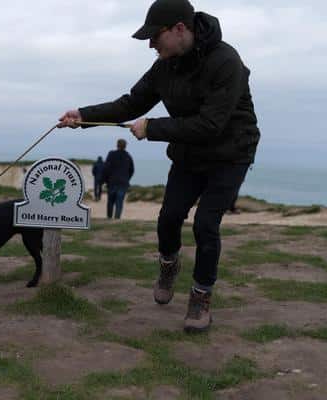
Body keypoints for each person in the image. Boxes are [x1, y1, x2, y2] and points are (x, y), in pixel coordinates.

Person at [57, 0, 260, 333]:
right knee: (168, 218)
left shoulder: (226, 61)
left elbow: (212, 124)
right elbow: (131, 103)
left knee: (206, 225)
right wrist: (84, 116)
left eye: (155, 37)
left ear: (180, 29)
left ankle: (200, 296)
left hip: (230, 153)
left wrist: (152, 128)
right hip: (189, 154)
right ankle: (169, 265)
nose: (151, 45)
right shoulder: (165, 66)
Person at [103, 140, 134, 219]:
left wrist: (105, 180)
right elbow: (131, 170)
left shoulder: (111, 154)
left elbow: (106, 168)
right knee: (119, 202)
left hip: (112, 182)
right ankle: (117, 218)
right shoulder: (128, 156)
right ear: (125, 146)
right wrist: (127, 178)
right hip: (123, 182)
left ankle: (109, 217)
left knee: (110, 201)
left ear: (117, 145)